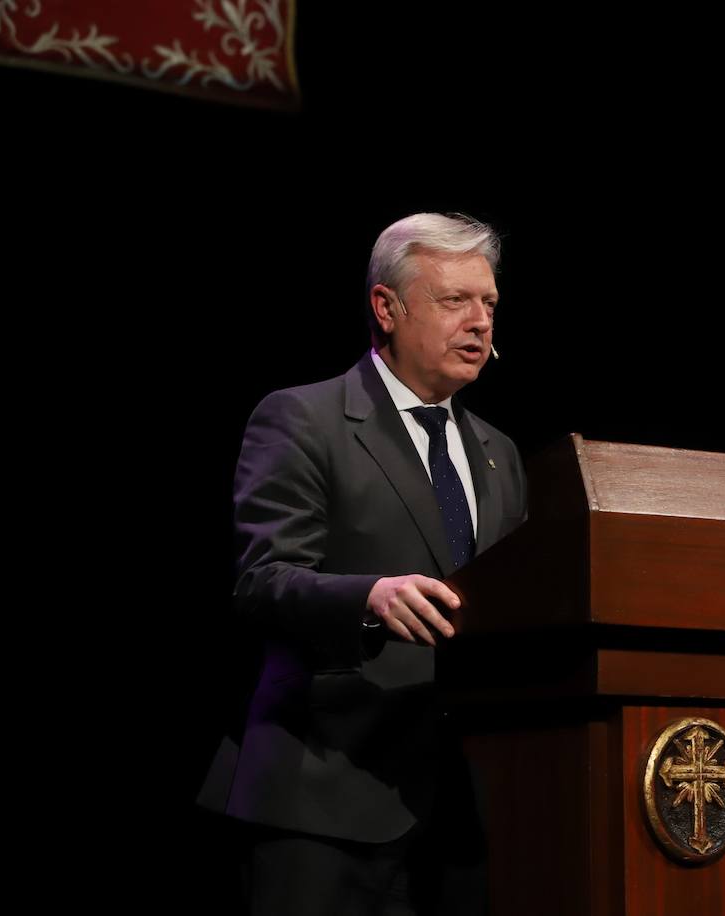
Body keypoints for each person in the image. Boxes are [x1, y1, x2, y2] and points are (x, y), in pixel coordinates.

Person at [198, 212, 526, 914]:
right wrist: (368, 597)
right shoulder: (304, 420)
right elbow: (262, 581)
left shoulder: (500, 453)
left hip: (463, 814)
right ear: (386, 306)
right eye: (454, 301)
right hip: (324, 799)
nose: (479, 321)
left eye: (489, 304)